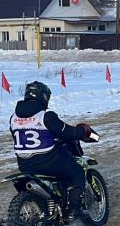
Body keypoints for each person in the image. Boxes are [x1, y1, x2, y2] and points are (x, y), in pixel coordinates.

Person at [9, 81, 92, 216]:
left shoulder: (13, 118)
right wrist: (82, 131)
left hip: (25, 165)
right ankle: (74, 210)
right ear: (44, 97)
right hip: (49, 162)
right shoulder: (46, 116)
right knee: (77, 171)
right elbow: (68, 133)